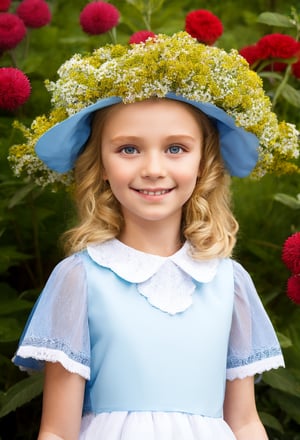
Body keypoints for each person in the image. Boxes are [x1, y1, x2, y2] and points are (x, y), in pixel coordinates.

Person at [13, 32, 296, 440]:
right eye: (129, 149)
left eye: (176, 148)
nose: (152, 168)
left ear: (204, 161)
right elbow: (57, 430)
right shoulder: (81, 278)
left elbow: (246, 420)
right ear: (101, 165)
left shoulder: (228, 282)